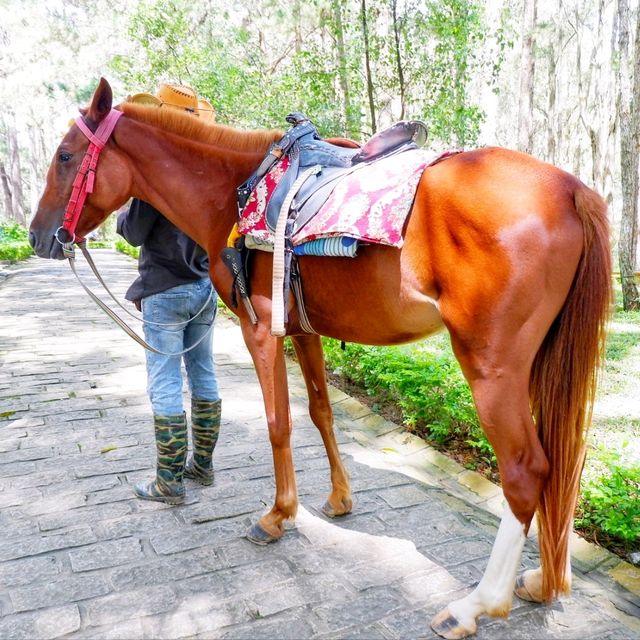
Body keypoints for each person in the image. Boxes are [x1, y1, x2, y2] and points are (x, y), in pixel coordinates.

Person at [117, 84, 220, 505]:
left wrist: (126, 209)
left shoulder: (157, 172)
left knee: (164, 381)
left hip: (164, 291)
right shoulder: (208, 168)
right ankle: (203, 466)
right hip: (205, 288)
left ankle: (170, 482)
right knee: (203, 373)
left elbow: (133, 232)